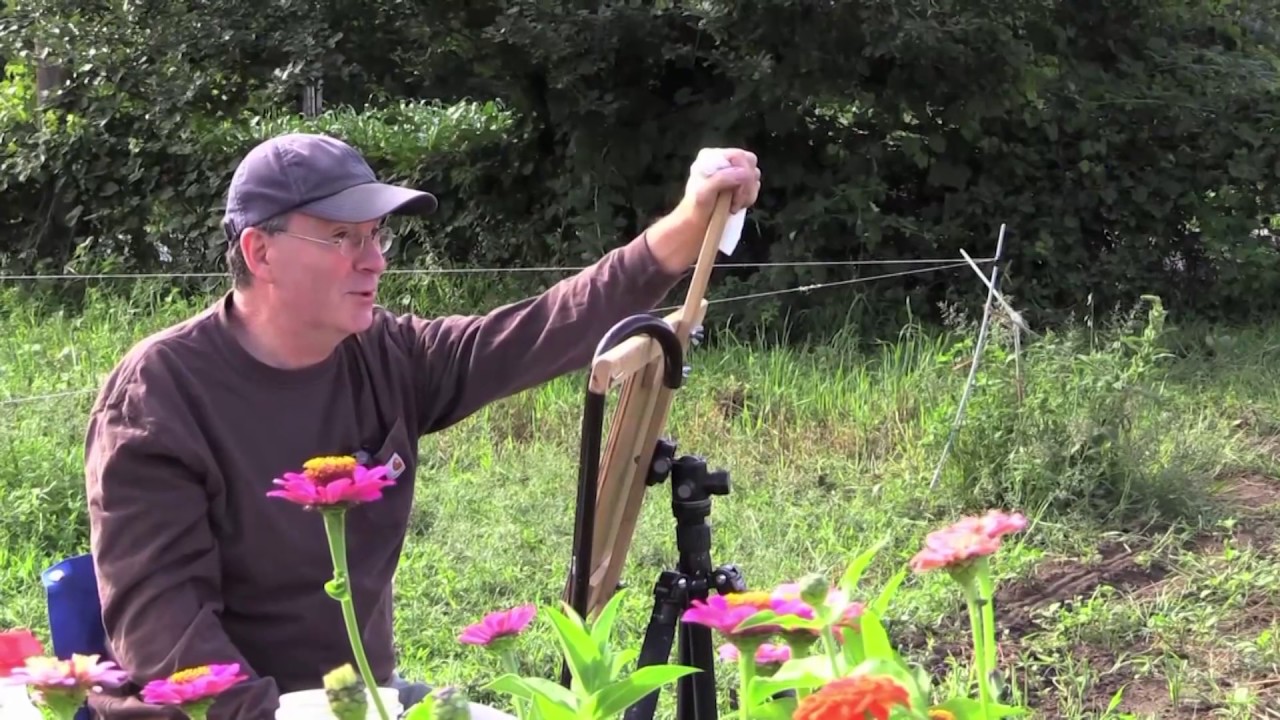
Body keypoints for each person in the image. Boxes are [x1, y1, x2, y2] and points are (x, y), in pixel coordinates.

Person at [82, 132, 761, 719]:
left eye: (376, 235)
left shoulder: (386, 355)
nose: (374, 259)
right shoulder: (160, 396)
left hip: (364, 701)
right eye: (343, 237)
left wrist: (685, 228)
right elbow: (167, 633)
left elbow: (535, 332)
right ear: (260, 253)